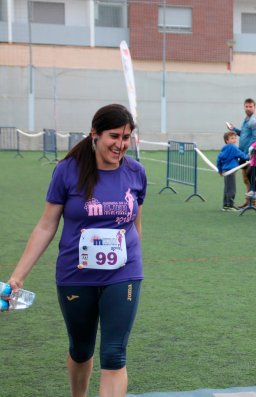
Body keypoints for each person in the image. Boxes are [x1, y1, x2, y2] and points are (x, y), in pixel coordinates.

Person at [3, 104, 146, 397]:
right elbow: (46, 226)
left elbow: (136, 224)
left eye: (126, 137)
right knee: (81, 350)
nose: (120, 145)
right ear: (95, 134)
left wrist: (132, 262)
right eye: (114, 136)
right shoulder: (67, 171)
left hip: (123, 274)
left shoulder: (136, 172)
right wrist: (18, 276)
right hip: (75, 275)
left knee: (114, 354)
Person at [227, 98, 256, 208]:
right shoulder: (246, 120)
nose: (248, 108)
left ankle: (253, 202)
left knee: (252, 177)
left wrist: (249, 151)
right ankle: (248, 200)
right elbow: (244, 134)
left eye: (250, 106)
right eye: (246, 106)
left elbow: (255, 137)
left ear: (254, 107)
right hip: (243, 154)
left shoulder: (253, 121)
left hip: (250, 155)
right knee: (246, 179)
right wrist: (234, 129)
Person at [217, 131, 250, 211]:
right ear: (227, 140)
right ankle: (230, 205)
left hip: (225, 170)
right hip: (231, 170)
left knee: (227, 188)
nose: (234, 140)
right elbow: (242, 156)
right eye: (232, 138)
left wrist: (220, 170)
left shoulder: (224, 148)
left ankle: (225, 205)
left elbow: (219, 159)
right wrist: (249, 156)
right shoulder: (233, 147)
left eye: (235, 138)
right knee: (232, 188)